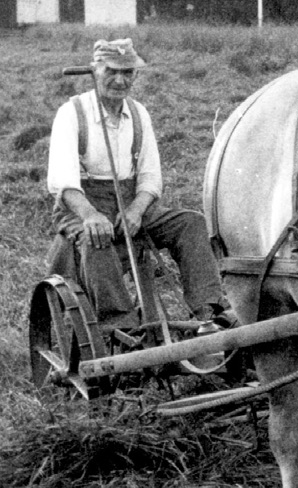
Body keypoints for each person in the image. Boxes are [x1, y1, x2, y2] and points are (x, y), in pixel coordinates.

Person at [45, 38, 231, 334]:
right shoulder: (73, 114)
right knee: (97, 240)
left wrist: (135, 209)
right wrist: (92, 216)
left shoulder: (139, 114)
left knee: (191, 224)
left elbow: (150, 177)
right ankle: (122, 326)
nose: (120, 80)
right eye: (111, 71)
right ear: (95, 71)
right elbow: (63, 181)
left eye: (128, 72)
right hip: (82, 207)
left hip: (131, 206)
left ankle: (210, 313)